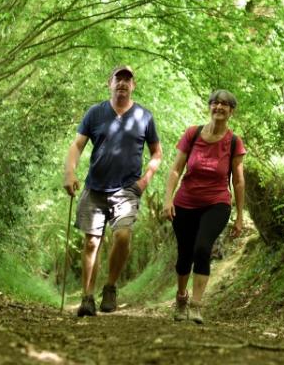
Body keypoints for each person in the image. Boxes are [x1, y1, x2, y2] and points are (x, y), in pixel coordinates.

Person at [63, 65, 162, 317]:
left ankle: (110, 287)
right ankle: (87, 297)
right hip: (95, 187)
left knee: (123, 237)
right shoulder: (95, 113)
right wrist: (70, 173)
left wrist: (145, 179)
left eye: (128, 80)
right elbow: (77, 145)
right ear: (110, 83)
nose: (123, 84)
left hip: (127, 189)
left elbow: (157, 153)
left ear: (133, 86)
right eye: (119, 79)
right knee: (91, 243)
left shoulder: (144, 117)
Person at [163, 89, 246, 324]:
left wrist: (240, 216)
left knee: (202, 248)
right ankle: (181, 298)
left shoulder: (234, 142)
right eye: (215, 103)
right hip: (185, 202)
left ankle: (197, 305)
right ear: (209, 107)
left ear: (231, 111)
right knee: (184, 255)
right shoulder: (193, 133)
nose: (219, 107)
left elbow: (238, 181)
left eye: (224, 104)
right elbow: (176, 169)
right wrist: (168, 199)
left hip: (216, 202)